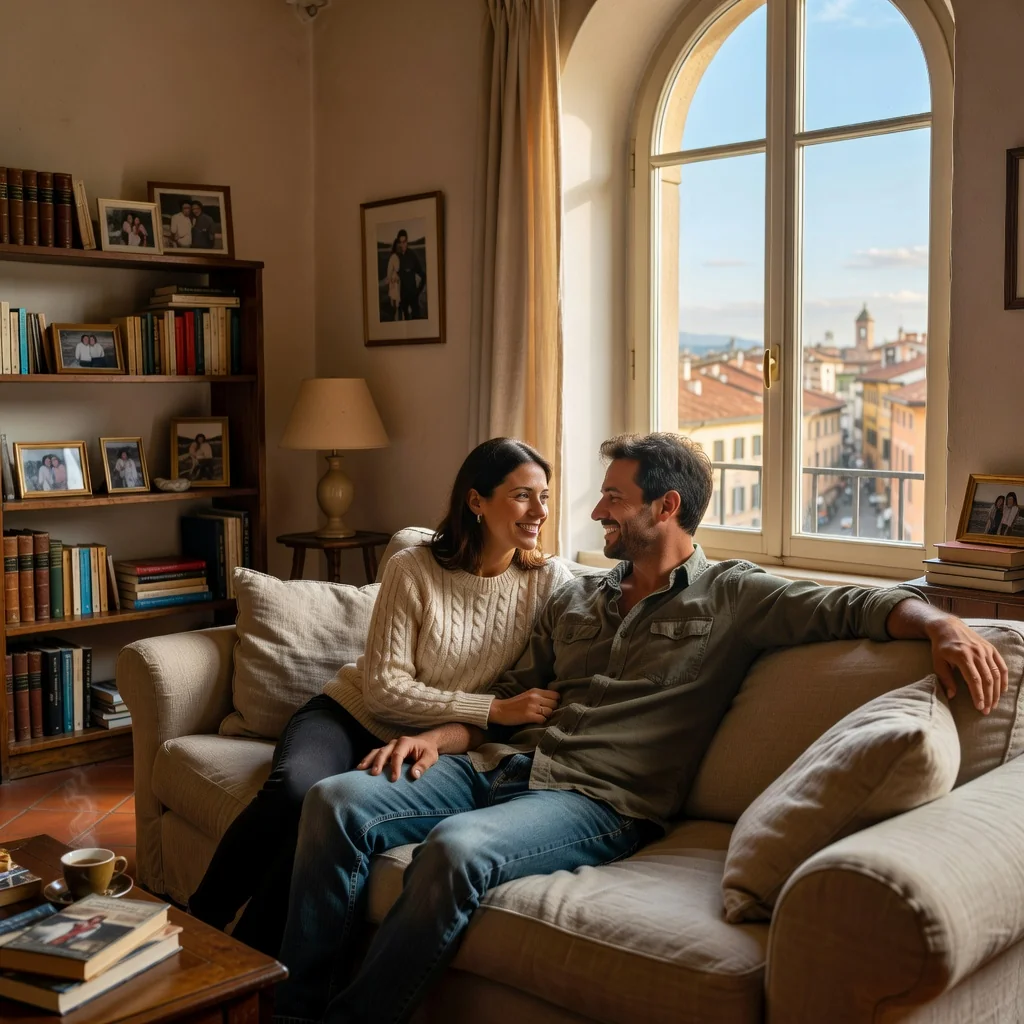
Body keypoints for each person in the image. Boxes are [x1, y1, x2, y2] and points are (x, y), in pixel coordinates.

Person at [273, 432, 1008, 1024]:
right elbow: (513, 695)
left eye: (613, 498)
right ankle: (289, 1009)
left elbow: (852, 604)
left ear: (666, 505)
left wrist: (943, 624)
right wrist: (439, 736)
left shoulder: (735, 594)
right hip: (511, 766)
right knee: (337, 802)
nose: (595, 512)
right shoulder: (579, 598)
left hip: (601, 802)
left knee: (456, 849)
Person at [188, 438, 574, 957]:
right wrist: (490, 708)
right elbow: (385, 689)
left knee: (322, 821)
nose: (540, 512)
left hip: (428, 744)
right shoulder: (414, 568)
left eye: (544, 496)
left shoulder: (549, 581)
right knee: (294, 792)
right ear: (476, 501)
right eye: (522, 496)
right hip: (349, 715)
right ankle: (196, 922)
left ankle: (245, 963)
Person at [395, 229, 425, 320]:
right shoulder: (395, 257)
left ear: (407, 241)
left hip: (413, 297)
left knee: (418, 323)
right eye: (400, 242)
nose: (402, 245)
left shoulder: (412, 255)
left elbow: (423, 276)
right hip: (401, 299)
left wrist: (418, 292)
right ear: (398, 243)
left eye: (404, 242)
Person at [385, 236, 402, 320]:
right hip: (395, 282)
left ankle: (396, 318)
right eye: (398, 246)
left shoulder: (394, 256)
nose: (400, 247)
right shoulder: (395, 257)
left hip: (394, 282)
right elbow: (397, 269)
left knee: (396, 302)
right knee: (396, 303)